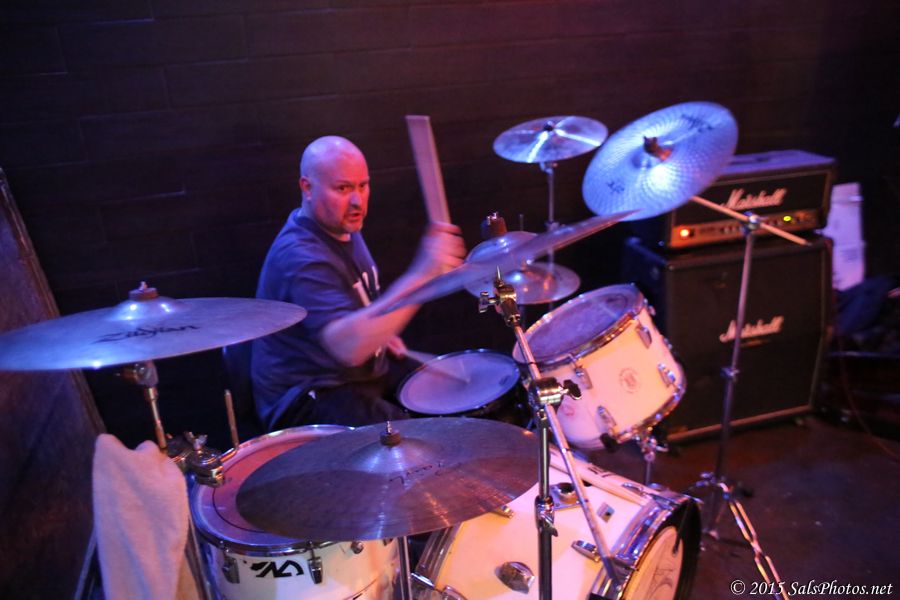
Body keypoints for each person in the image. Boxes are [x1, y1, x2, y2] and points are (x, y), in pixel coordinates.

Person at [251, 136, 465, 431]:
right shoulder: (300, 257)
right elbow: (348, 349)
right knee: (420, 439)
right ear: (307, 188)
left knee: (455, 395)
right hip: (310, 395)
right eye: (343, 188)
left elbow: (349, 307)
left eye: (363, 186)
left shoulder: (340, 224)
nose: (357, 201)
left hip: (354, 373)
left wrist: (377, 333)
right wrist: (423, 274)